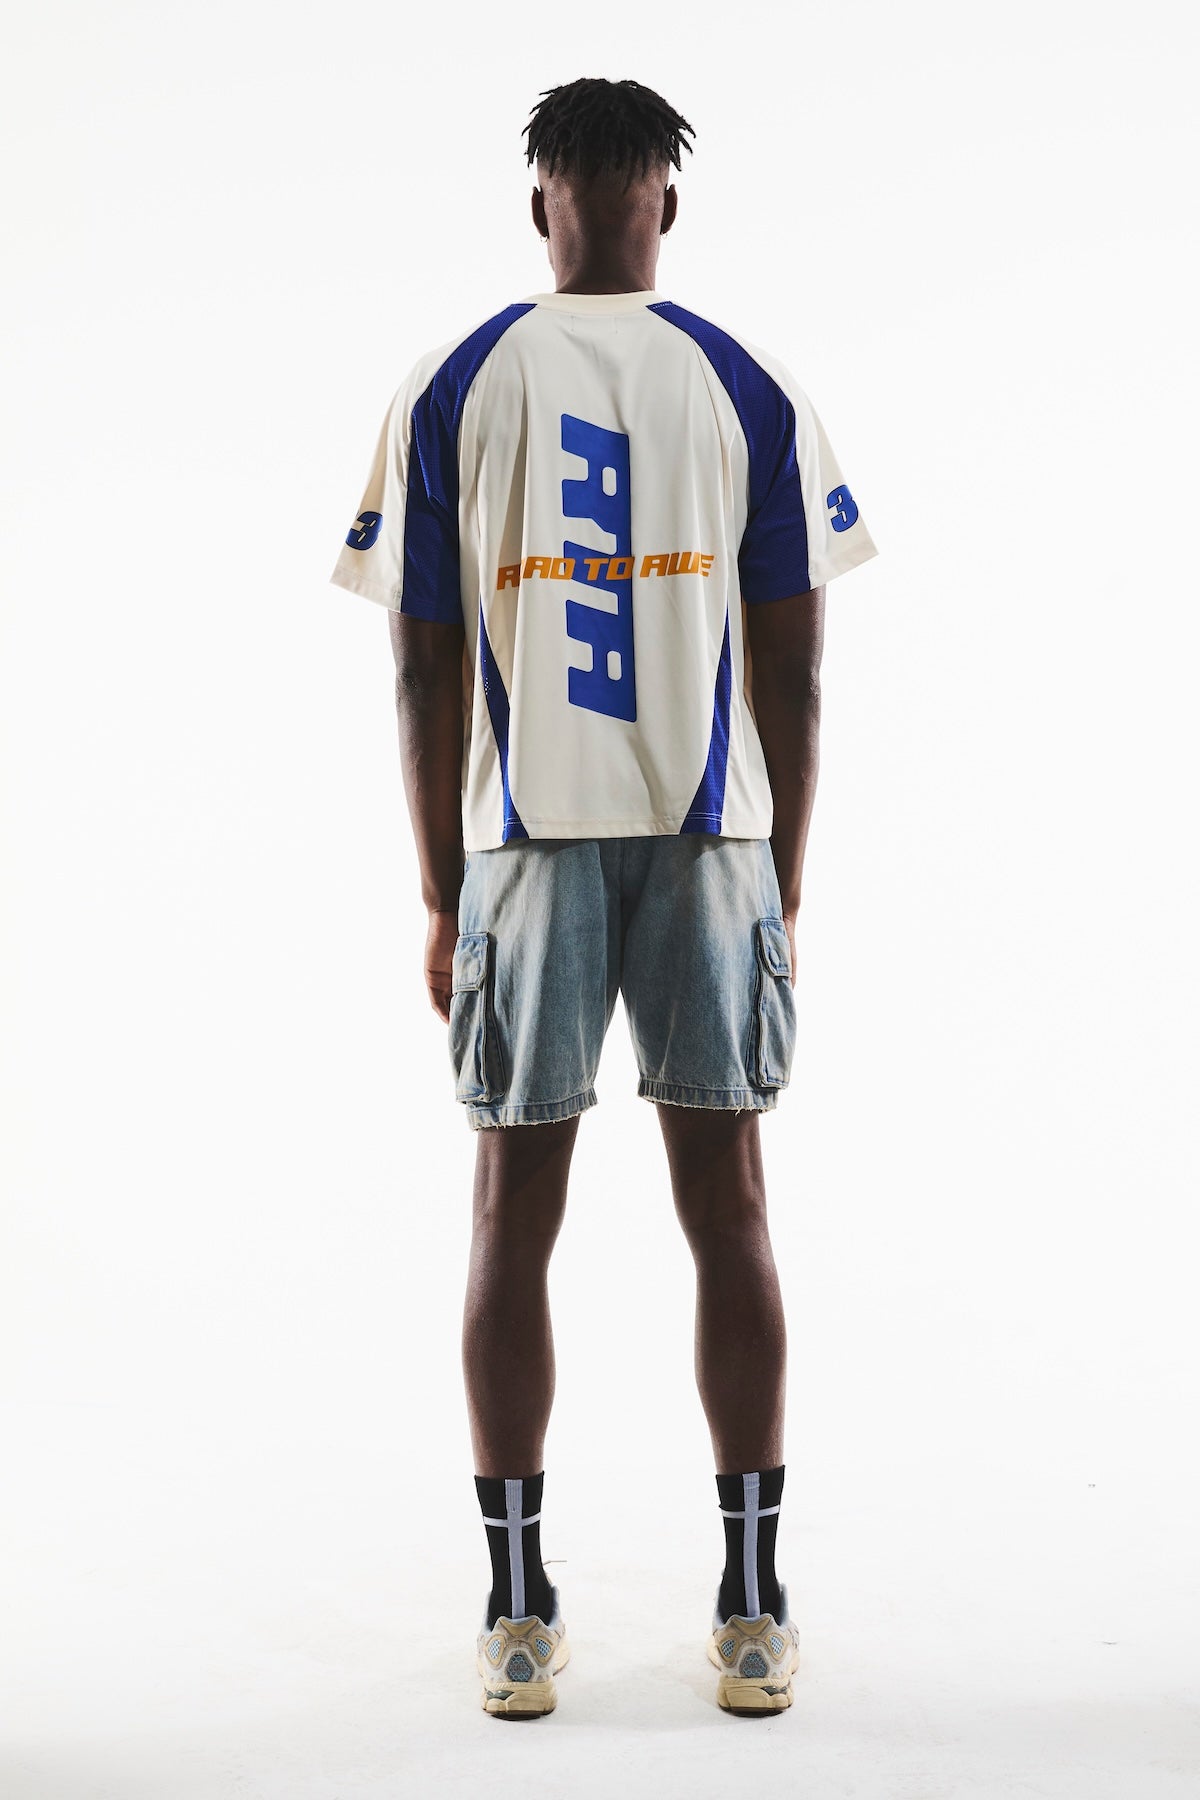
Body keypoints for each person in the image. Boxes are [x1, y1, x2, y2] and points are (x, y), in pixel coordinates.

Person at [328, 75, 878, 1720]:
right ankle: (753, 1605)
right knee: (734, 1212)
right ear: (667, 205)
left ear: (541, 206)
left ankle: (517, 1613)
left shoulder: (454, 383)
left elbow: (421, 672)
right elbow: (797, 668)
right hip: (710, 846)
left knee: (513, 1215)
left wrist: (443, 891)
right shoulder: (747, 383)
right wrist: (782, 884)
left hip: (528, 844)